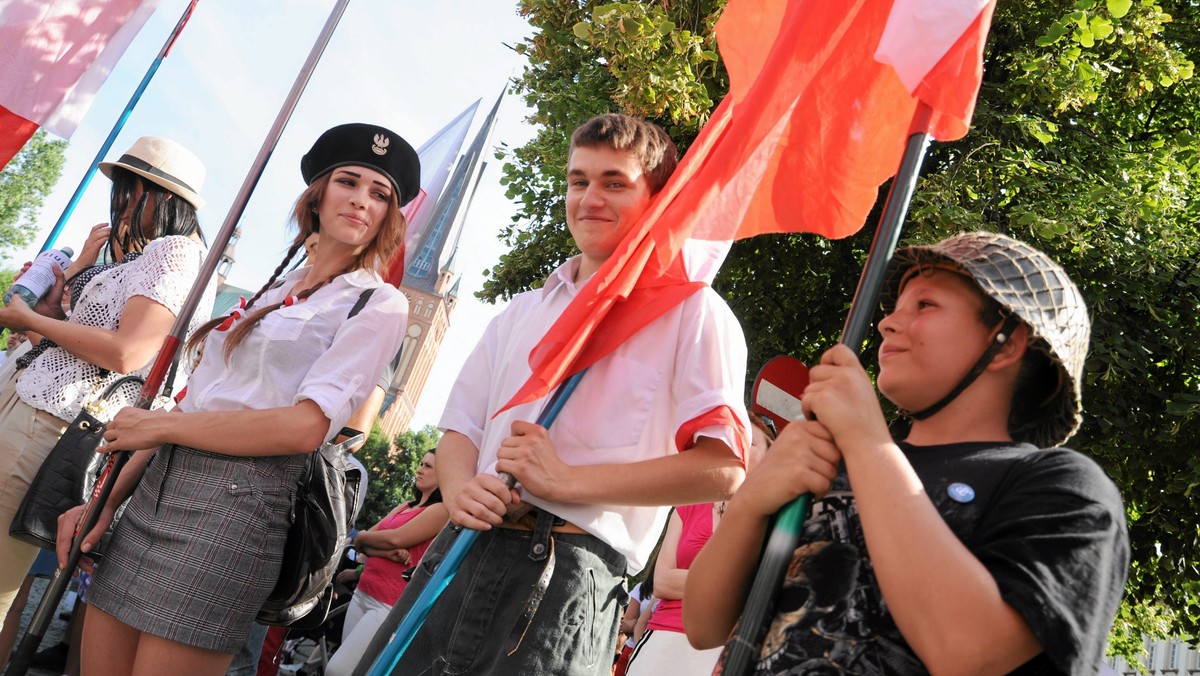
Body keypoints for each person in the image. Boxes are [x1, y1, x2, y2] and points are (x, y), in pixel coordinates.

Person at [359, 113, 750, 675]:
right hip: (458, 553)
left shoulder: (695, 312)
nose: (590, 197)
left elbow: (723, 466)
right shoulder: (521, 311)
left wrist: (567, 481)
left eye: (615, 182)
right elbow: (460, 429)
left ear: (659, 198)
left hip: (569, 576)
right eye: (578, 180)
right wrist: (461, 487)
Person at [56, 122, 414, 676]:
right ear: (318, 193)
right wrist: (100, 507)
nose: (362, 200)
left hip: (239, 511)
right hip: (153, 494)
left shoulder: (377, 304)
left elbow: (304, 430)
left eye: (380, 194)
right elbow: (186, 410)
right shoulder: (273, 288)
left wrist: (165, 429)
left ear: (390, 217)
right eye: (349, 181)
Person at [685, 232, 1130, 674]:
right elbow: (704, 625)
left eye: (925, 305)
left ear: (1007, 343)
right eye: (895, 307)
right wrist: (749, 502)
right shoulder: (825, 465)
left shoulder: (1064, 487)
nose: (888, 323)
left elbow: (968, 652)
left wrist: (865, 440)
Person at [0, 135, 214, 624]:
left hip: (50, 421)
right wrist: (54, 310)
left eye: (123, 188)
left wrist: (30, 320)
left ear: (148, 193)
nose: (116, 201)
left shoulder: (174, 252)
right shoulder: (150, 256)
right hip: (40, 407)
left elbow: (128, 351)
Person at [626, 413, 776, 676]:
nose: (739, 446)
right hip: (662, 639)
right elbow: (661, 583)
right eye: (735, 439)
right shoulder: (690, 503)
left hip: (728, 647)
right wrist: (733, 583)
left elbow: (765, 588)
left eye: (751, 443)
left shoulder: (776, 517)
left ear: (770, 456)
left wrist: (691, 581)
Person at [325, 449, 448, 676]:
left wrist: (364, 539)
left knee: (337, 670)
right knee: (355, 671)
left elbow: (395, 538)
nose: (420, 469)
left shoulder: (440, 510)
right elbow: (362, 545)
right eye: (421, 463)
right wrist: (382, 550)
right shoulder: (404, 506)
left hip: (387, 604)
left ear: (445, 474)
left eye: (428, 466)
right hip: (362, 592)